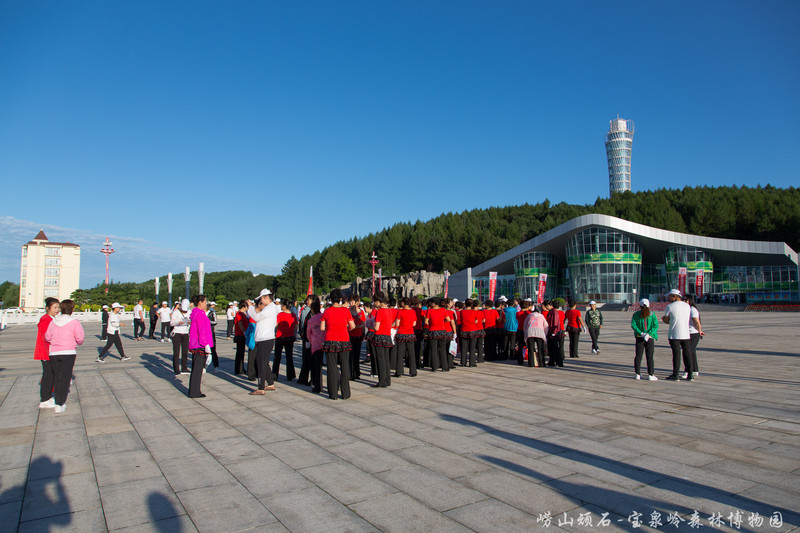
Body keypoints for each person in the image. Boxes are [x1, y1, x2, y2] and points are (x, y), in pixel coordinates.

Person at [44, 299, 84, 413]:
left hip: (54, 353)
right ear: (72, 309)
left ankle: (57, 399)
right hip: (68, 352)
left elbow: (47, 337)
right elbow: (80, 338)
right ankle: (60, 403)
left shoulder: (53, 322)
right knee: (66, 377)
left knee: (57, 377)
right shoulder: (74, 322)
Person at [321, 289, 355, 398]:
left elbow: (322, 327)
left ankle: (333, 393)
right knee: (345, 366)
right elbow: (353, 326)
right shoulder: (346, 311)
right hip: (344, 340)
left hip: (330, 340)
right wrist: (345, 329)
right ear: (341, 299)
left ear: (330, 300)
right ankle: (345, 393)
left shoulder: (327, 311)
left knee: (332, 367)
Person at [249, 290, 279, 395]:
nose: (261, 301)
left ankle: (261, 387)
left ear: (266, 297)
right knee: (264, 362)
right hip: (264, 338)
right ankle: (270, 383)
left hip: (265, 339)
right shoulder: (269, 308)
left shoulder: (270, 308)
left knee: (261, 363)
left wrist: (250, 307)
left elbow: (257, 317)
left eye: (261, 298)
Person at [662, 289, 693, 381]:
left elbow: (667, 320)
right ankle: (690, 374)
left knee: (676, 354)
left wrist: (664, 319)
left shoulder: (670, 306)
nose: (669, 298)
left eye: (670, 296)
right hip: (686, 334)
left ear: (675, 296)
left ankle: (676, 374)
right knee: (687, 354)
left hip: (674, 334)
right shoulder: (687, 306)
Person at [187, 294, 213, 398]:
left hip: (196, 344)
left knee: (196, 369)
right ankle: (194, 392)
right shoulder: (200, 315)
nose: (205, 304)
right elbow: (202, 331)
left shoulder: (196, 313)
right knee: (198, 369)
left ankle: (194, 390)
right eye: (205, 302)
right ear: (200, 303)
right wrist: (206, 345)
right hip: (200, 344)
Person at [36, 297, 60, 409]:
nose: (57, 309)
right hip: (47, 352)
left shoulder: (50, 319)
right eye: (54, 307)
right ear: (47, 308)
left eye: (58, 307)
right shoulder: (46, 320)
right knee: (48, 376)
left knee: (50, 375)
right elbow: (47, 338)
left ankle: (48, 396)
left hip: (50, 352)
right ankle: (44, 400)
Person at [631, 298, 659, 380]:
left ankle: (637, 373)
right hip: (649, 338)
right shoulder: (652, 314)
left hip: (640, 337)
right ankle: (651, 374)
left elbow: (633, 325)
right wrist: (649, 333)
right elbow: (655, 326)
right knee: (649, 356)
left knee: (638, 355)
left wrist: (641, 333)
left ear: (640, 306)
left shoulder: (636, 314)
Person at [424, 297, 451, 372]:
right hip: (442, 330)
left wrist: (432, 323)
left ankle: (434, 366)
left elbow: (426, 322)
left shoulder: (429, 311)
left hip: (433, 331)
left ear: (433, 303)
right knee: (442, 349)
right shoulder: (443, 310)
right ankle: (444, 366)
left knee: (434, 349)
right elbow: (448, 319)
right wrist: (442, 321)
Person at [273, 300, 297, 381]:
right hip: (290, 337)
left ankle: (274, 374)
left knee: (277, 357)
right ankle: (290, 375)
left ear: (284, 306)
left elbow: (275, 324)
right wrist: (294, 335)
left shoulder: (280, 315)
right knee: (289, 357)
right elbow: (295, 326)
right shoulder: (293, 315)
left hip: (280, 337)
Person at [395, 297, 417, 376]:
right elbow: (414, 323)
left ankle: (399, 372)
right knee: (411, 353)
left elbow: (397, 324)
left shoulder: (400, 312)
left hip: (401, 333)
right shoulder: (413, 312)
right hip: (410, 333)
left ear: (403, 303)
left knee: (400, 353)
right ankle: (413, 371)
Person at [297, 294, 317, 386]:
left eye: (309, 300)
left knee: (309, 359)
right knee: (307, 359)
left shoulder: (311, 313)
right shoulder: (310, 312)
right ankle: (304, 378)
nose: (307, 301)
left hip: (310, 339)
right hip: (308, 338)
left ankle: (310, 379)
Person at [306, 298, 324, 393]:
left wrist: (310, 340)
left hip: (316, 344)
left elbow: (308, 334)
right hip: (326, 342)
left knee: (317, 367)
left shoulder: (311, 320)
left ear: (312, 310)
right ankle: (336, 383)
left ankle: (318, 386)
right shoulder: (324, 316)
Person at [684, 295, 704, 379]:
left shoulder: (692, 310)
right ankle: (695, 370)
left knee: (688, 352)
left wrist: (699, 331)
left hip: (693, 333)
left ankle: (688, 371)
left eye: (685, 300)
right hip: (688, 333)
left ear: (689, 300)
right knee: (692, 352)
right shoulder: (687, 309)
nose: (683, 301)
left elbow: (696, 322)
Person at [169, 300, 191, 375]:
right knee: (176, 352)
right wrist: (178, 322)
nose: (185, 312)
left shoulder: (189, 312)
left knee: (185, 352)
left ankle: (184, 368)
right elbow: (171, 323)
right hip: (177, 333)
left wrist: (189, 322)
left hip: (185, 333)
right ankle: (176, 369)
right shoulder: (176, 312)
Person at [348, 296, 366, 380]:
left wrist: (357, 326)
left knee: (357, 355)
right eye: (350, 302)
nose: (351, 304)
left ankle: (356, 372)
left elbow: (363, 323)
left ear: (357, 302)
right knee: (350, 356)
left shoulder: (361, 312)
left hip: (358, 335)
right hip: (350, 335)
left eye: (352, 302)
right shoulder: (348, 311)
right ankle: (350, 373)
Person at [459, 299, 479, 367]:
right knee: (472, 348)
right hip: (472, 330)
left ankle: (463, 362)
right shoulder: (474, 312)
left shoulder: (462, 312)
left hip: (464, 330)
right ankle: (472, 362)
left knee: (464, 347)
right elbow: (476, 321)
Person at [545, 300, 565, 367]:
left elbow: (556, 322)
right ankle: (552, 361)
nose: (545, 308)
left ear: (548, 305)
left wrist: (554, 332)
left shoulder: (554, 312)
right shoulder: (550, 312)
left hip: (554, 332)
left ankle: (559, 362)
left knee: (555, 348)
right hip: (550, 331)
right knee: (550, 348)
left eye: (546, 306)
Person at [232, 301, 249, 375]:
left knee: (241, 353)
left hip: (242, 335)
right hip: (240, 335)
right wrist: (244, 332)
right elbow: (240, 323)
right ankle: (238, 369)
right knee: (239, 353)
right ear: (244, 306)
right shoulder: (239, 314)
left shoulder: (243, 314)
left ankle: (241, 368)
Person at [205, 301, 219, 373]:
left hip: (210, 333)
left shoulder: (212, 312)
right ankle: (204, 366)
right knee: (203, 350)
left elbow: (215, 322)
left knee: (212, 349)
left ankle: (216, 366)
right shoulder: (201, 313)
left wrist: (208, 321)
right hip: (203, 334)